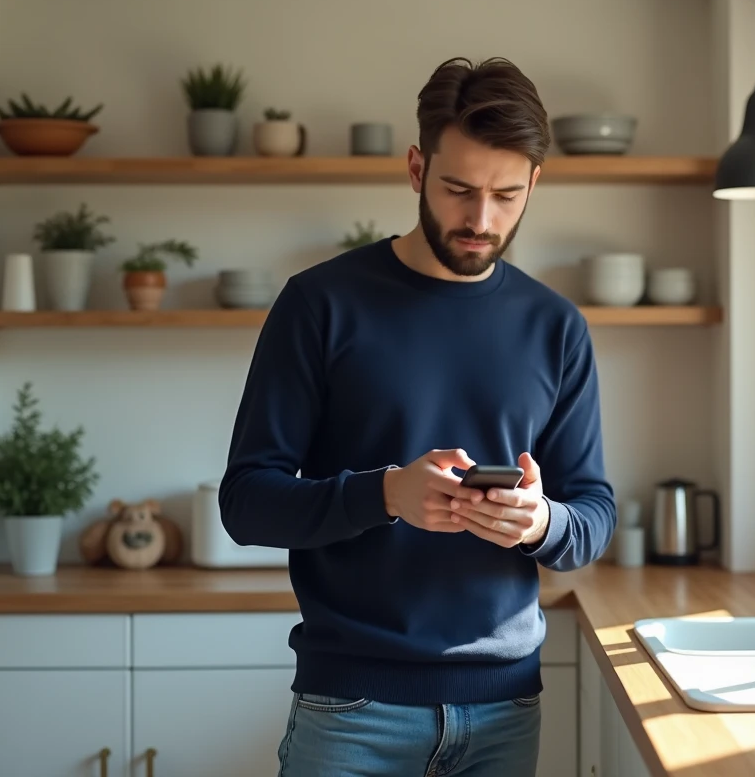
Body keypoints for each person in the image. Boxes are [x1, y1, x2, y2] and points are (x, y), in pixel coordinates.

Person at [218, 55, 617, 777]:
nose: (480, 219)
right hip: (350, 713)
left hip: (504, 711)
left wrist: (540, 523)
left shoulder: (556, 327)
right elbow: (246, 502)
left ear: (534, 184)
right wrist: (385, 494)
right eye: (458, 189)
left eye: (505, 195)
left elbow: (593, 512)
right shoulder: (320, 306)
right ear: (414, 169)